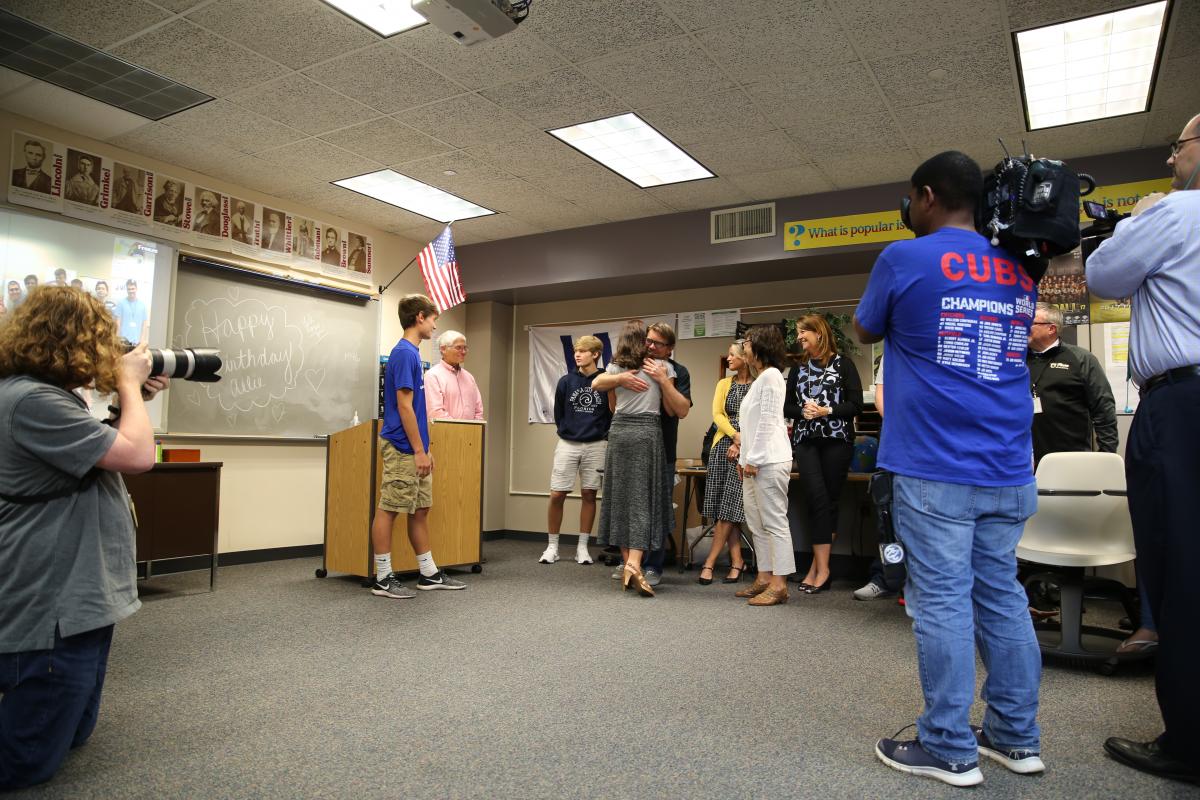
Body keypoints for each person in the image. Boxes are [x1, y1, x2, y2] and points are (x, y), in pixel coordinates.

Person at [855, 151, 1044, 786]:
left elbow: (863, 329)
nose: (908, 209)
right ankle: (1016, 739)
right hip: (1009, 467)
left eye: (911, 198)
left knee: (940, 603)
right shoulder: (1020, 267)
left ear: (928, 196)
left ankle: (948, 746)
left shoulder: (902, 258)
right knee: (1002, 597)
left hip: (935, 467)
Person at [0, 286, 167, 790]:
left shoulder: (45, 395)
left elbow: (105, 449)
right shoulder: (30, 399)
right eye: (100, 339)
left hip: (79, 592)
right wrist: (130, 389)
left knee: (74, 731)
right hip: (55, 592)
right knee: (27, 762)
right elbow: (138, 457)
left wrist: (124, 402)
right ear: (70, 339)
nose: (107, 352)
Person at [1087, 113, 1200, 785]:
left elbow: (1102, 272)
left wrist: (1141, 216)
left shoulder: (1178, 210)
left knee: (1182, 569)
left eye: (1179, 145)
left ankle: (1188, 743)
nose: (1171, 155)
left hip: (1183, 405)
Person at [371, 294, 466, 599]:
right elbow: (404, 406)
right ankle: (383, 578)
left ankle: (428, 573)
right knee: (389, 510)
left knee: (421, 509)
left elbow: (418, 410)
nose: (435, 326)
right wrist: (418, 450)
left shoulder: (413, 353)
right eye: (434, 319)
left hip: (415, 446)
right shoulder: (404, 354)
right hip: (401, 446)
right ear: (420, 318)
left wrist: (425, 447)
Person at [592, 320, 678, 597]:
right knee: (643, 500)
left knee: (622, 499)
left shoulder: (616, 368)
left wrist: (619, 380)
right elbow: (668, 408)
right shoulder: (661, 368)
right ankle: (633, 564)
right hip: (646, 433)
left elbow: (611, 402)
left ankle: (630, 564)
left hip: (619, 432)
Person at [784, 314, 863, 594]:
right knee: (816, 498)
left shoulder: (844, 365)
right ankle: (821, 568)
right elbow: (787, 408)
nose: (800, 337)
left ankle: (820, 568)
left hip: (836, 440)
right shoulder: (797, 370)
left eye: (804, 332)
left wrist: (826, 410)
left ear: (819, 333)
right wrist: (803, 411)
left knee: (828, 502)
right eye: (798, 333)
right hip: (806, 441)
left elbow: (855, 405)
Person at [733, 324, 794, 606]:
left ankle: (780, 584)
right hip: (754, 461)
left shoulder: (771, 376)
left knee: (774, 523)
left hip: (769, 460)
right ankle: (764, 577)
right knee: (756, 523)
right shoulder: (761, 379)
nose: (743, 347)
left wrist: (754, 459)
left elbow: (769, 421)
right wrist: (744, 456)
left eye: (746, 342)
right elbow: (752, 423)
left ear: (760, 345)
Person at [542, 335, 611, 565]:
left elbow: (612, 411)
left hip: (597, 444)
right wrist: (567, 431)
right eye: (576, 351)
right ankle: (552, 547)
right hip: (568, 443)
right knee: (557, 494)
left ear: (595, 354)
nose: (578, 355)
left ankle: (582, 547)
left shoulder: (606, 380)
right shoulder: (565, 381)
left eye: (583, 351)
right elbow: (558, 413)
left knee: (589, 494)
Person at [1027, 302, 1117, 466]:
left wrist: (1106, 456)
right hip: (1022, 461)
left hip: (1071, 459)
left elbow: (1104, 409)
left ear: (1051, 329)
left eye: (1031, 323)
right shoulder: (1015, 360)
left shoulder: (1081, 359)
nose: (1024, 327)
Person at [637, 322, 691, 587]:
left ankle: (652, 565)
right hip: (634, 448)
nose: (650, 346)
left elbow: (680, 410)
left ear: (669, 348)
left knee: (658, 508)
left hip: (663, 450)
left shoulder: (679, 372)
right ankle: (631, 562)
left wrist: (662, 379)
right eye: (648, 340)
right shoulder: (632, 365)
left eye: (657, 343)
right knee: (634, 506)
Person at [854, 352, 907, 601]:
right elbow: (881, 395)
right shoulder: (892, 353)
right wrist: (901, 428)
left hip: (934, 446)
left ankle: (916, 583)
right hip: (896, 440)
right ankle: (887, 577)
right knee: (888, 517)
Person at [697, 341, 751, 585]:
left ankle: (709, 562)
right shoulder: (723, 384)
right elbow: (717, 415)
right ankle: (737, 561)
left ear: (745, 357)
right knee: (725, 508)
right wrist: (734, 436)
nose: (728, 358)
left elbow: (759, 418)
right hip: (721, 449)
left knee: (731, 506)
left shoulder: (758, 384)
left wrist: (742, 443)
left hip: (747, 451)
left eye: (732, 355)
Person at [424, 330, 483, 421]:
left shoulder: (469, 377)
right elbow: (435, 412)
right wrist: (459, 429)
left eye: (465, 348)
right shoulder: (433, 375)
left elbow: (478, 410)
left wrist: (475, 427)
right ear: (443, 349)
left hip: (471, 433)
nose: (463, 352)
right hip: (445, 433)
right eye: (458, 348)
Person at [113, 279, 148, 345]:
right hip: (123, 341)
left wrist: (142, 340)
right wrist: (117, 339)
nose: (131, 291)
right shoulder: (121, 303)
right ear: (126, 290)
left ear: (136, 289)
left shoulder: (142, 305)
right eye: (129, 289)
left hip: (137, 342)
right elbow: (118, 323)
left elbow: (144, 324)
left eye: (133, 289)